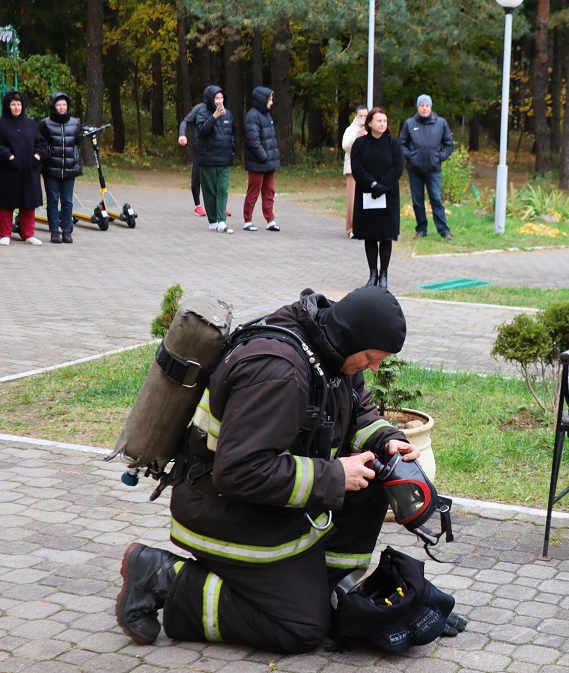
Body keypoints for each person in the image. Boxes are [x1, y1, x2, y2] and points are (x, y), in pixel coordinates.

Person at [115, 286, 424, 654]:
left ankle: (327, 591)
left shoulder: (330, 351)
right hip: (223, 513)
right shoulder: (278, 373)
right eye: (371, 357)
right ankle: (162, 577)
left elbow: (357, 412)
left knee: (372, 478)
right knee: (301, 627)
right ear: (351, 337)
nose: (374, 367)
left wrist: (387, 441)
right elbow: (240, 471)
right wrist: (336, 475)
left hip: (268, 506)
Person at [0, 90, 47, 246]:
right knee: (6, 204)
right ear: (7, 106)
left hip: (29, 171)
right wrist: (8, 156)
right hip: (7, 171)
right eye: (13, 104)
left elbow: (41, 143)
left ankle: (28, 235)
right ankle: (5, 234)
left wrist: (38, 156)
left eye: (19, 104)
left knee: (28, 204)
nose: (16, 107)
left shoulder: (30, 124)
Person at [352, 108, 403, 288]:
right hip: (368, 193)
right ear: (370, 122)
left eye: (384, 121)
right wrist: (373, 185)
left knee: (387, 235)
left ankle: (384, 274)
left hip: (388, 194)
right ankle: (373, 273)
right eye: (379, 121)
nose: (382, 124)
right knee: (370, 235)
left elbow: (398, 167)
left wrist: (383, 186)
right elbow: (357, 168)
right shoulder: (360, 144)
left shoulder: (393, 144)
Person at [399, 94, 454, 240]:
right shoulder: (409, 124)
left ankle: (444, 230)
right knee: (417, 201)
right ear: (418, 107)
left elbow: (449, 144)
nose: (424, 108)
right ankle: (421, 229)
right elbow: (401, 144)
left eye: (427, 106)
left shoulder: (441, 123)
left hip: (433, 169)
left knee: (436, 199)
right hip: (415, 169)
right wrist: (410, 156)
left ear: (431, 107)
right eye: (422, 106)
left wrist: (439, 157)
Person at [37, 92, 83, 244]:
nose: (62, 107)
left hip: (69, 168)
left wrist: (73, 155)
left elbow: (78, 141)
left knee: (67, 201)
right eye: (58, 105)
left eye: (64, 104)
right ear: (53, 106)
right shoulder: (45, 124)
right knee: (52, 200)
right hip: (51, 168)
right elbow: (40, 142)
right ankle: (54, 232)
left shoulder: (75, 123)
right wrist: (48, 154)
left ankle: (67, 231)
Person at [193, 85, 235, 234]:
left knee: (222, 189)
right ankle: (213, 221)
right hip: (208, 159)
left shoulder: (228, 115)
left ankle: (222, 221)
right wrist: (214, 116)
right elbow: (202, 131)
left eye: (221, 98)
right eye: (217, 98)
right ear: (210, 99)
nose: (219, 101)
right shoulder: (202, 113)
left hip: (224, 159)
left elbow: (233, 133)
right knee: (210, 191)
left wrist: (232, 149)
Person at [241, 86, 280, 233]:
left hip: (268, 162)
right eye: (270, 99)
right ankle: (247, 220)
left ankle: (270, 220)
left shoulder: (267, 115)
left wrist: (271, 158)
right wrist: (264, 156)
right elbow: (253, 140)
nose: (272, 102)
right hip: (257, 162)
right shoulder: (252, 116)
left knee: (269, 191)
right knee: (253, 192)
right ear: (262, 100)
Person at [342, 103, 368, 238]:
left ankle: (364, 226)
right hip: (352, 169)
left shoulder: (370, 129)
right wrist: (357, 137)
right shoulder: (350, 130)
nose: (363, 118)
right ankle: (351, 228)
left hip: (367, 169)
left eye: (365, 115)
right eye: (360, 116)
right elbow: (346, 146)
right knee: (352, 200)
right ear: (356, 116)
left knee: (366, 199)